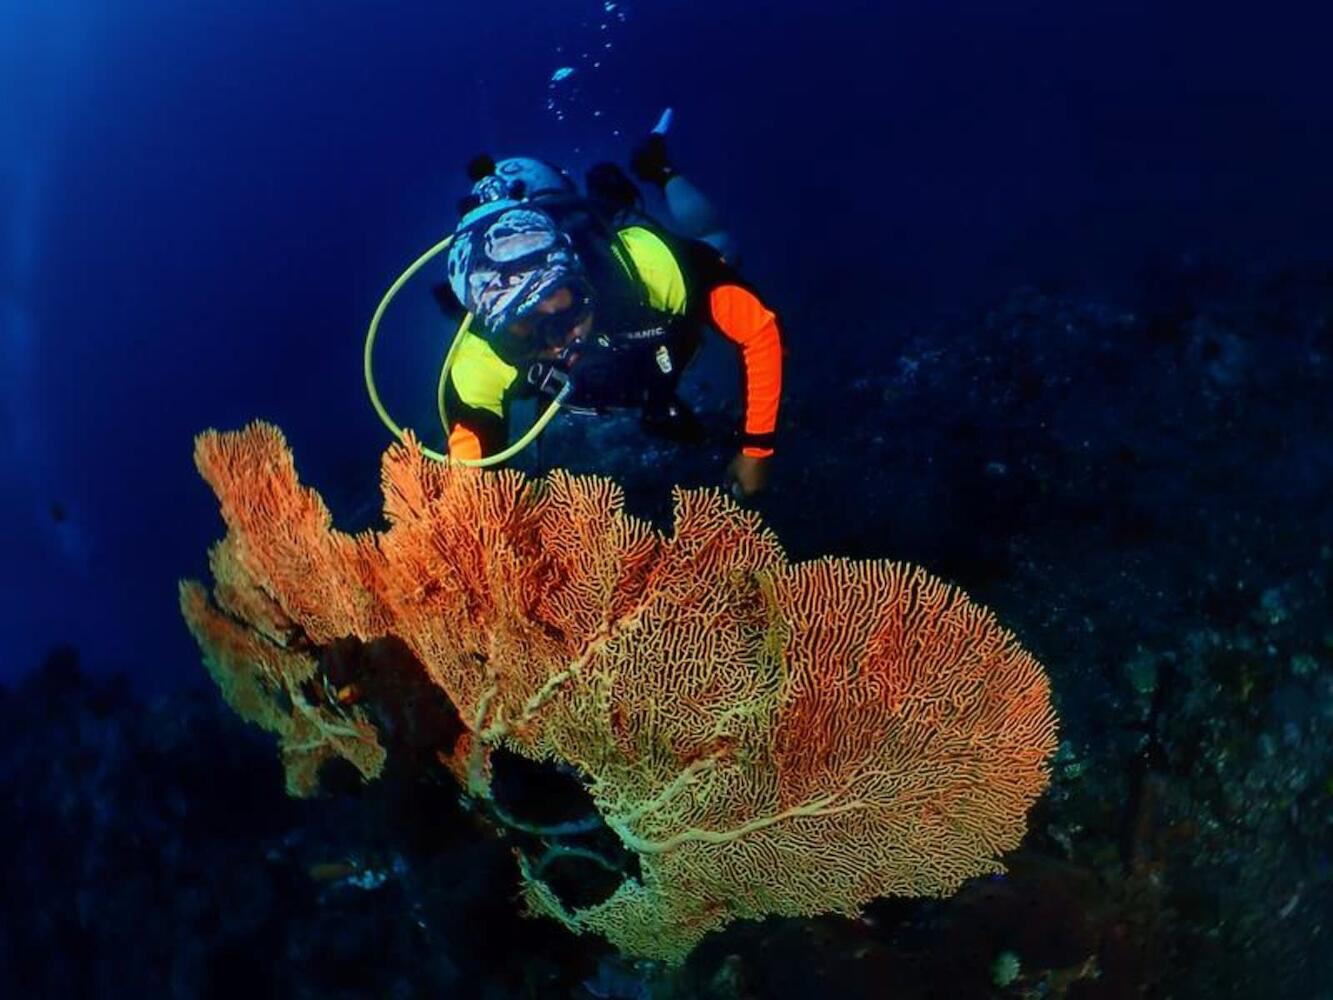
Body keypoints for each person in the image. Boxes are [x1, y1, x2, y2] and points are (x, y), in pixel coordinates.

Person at [441, 135, 783, 498]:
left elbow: (759, 330)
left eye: (564, 307)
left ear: (579, 276)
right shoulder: (480, 357)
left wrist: (757, 450)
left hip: (646, 304)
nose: (560, 344)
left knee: (721, 245)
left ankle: (660, 170)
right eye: (525, 330)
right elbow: (470, 460)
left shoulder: (644, 264)